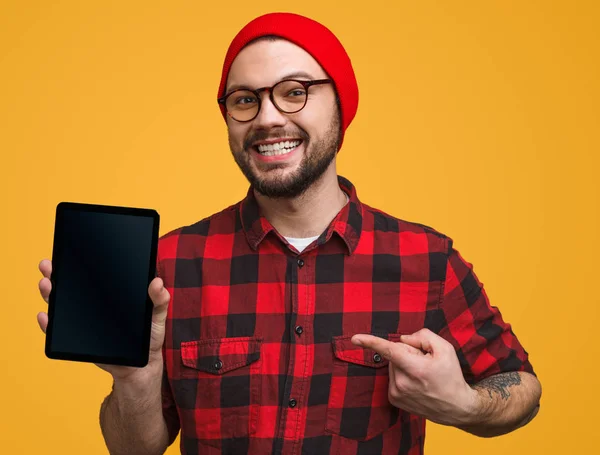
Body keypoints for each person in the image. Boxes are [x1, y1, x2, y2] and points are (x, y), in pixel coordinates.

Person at [36, 12, 541, 455]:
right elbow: (134, 449)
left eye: (294, 92)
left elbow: (522, 388)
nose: (268, 117)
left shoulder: (427, 259)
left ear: (341, 107)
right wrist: (135, 378)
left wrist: (465, 404)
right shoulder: (171, 264)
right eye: (244, 100)